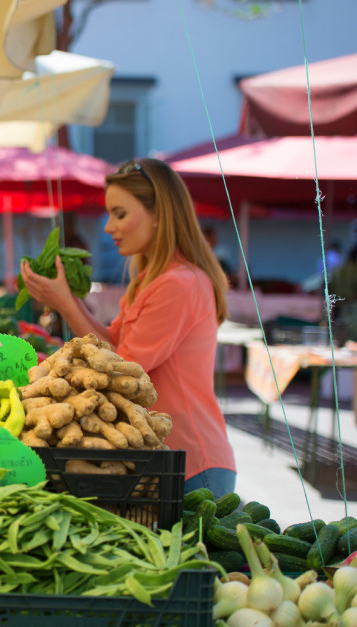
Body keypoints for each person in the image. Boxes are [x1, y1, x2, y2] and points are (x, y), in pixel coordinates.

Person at [20, 158, 235, 497]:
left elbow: (118, 373)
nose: (108, 227)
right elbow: (108, 343)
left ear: (159, 216)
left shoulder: (178, 285)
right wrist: (69, 300)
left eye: (119, 214)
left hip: (192, 465)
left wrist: (64, 303)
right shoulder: (154, 279)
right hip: (166, 457)